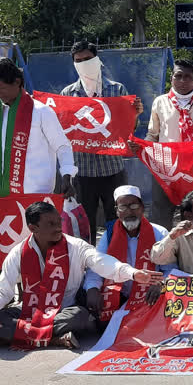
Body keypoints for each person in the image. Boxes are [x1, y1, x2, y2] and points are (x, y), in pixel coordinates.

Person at [0, 201, 163, 349]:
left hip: (65, 310)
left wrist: (133, 273)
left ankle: (21, 336)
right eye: (51, 224)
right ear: (33, 228)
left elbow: (102, 262)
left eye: (59, 222)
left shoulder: (76, 246)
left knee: (80, 316)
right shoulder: (19, 252)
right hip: (29, 310)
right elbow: (2, 288)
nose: (59, 228)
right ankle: (53, 340)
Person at [61, 41, 143, 240]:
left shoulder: (117, 90)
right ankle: (89, 263)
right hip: (83, 170)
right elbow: (64, 132)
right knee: (85, 224)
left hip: (112, 169)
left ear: (97, 60)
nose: (84, 64)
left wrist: (135, 114)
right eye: (78, 61)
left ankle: (117, 258)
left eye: (88, 59)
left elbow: (129, 130)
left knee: (116, 219)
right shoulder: (68, 94)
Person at [127, 59, 193, 229]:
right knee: (161, 212)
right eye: (178, 76)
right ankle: (163, 252)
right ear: (171, 78)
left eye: (188, 77)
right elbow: (153, 135)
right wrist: (143, 148)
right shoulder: (160, 102)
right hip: (166, 167)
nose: (183, 81)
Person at [0, 57, 76, 199]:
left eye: (2, 88)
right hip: (3, 196)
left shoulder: (41, 112)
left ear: (17, 81)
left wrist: (67, 176)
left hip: (37, 196)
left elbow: (62, 146)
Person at [83, 185, 175, 323]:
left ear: (142, 207)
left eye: (133, 206)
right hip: (118, 294)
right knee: (96, 315)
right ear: (117, 211)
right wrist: (92, 289)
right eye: (123, 207)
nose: (129, 212)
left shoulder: (159, 233)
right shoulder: (109, 235)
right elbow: (97, 265)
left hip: (151, 295)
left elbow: (171, 270)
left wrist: (161, 284)